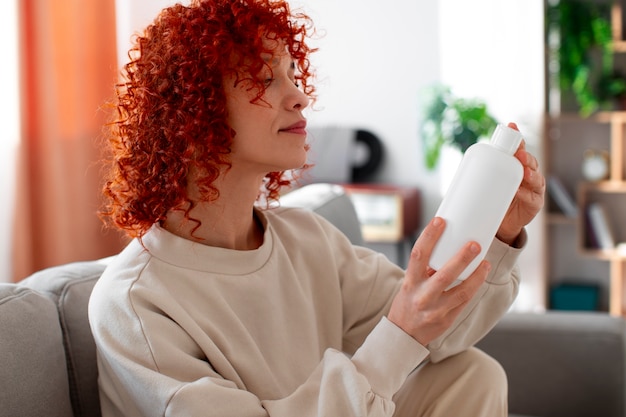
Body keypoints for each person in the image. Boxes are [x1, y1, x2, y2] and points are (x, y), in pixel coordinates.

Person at [89, 0, 545, 416]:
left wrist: (498, 232)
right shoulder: (134, 305)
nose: (300, 96)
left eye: (292, 73)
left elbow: (437, 332)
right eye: (266, 78)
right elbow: (405, 334)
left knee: (472, 374)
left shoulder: (307, 239)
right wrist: (400, 332)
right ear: (192, 109)